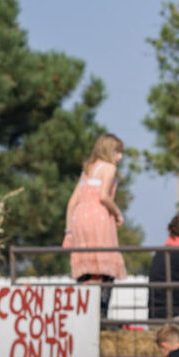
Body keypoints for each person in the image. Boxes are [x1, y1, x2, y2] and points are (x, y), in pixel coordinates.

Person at [63, 133, 126, 318]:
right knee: (105, 266)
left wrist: (69, 231)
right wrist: (117, 212)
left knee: (87, 267)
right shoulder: (108, 167)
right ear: (109, 150)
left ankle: (84, 315)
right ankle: (101, 316)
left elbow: (71, 202)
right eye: (117, 152)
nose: (119, 157)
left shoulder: (88, 169)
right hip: (98, 217)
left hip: (79, 218)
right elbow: (104, 196)